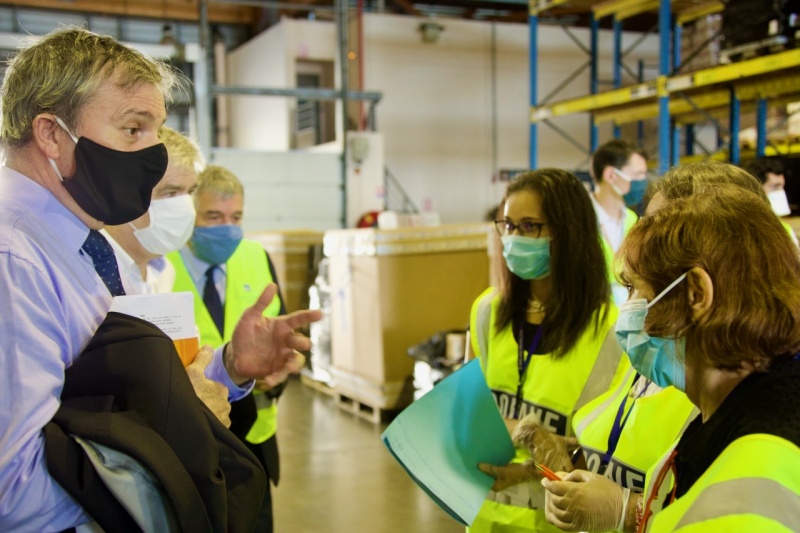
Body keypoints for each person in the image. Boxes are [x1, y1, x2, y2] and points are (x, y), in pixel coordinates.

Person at [0, 28, 319, 531]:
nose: (153, 157)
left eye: (157, 131)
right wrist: (176, 441)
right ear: (51, 134)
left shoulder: (82, 242)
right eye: (133, 129)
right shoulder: (14, 261)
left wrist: (228, 370)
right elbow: (16, 493)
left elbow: (123, 397)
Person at [542, 181, 800, 531]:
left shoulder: (754, 463)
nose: (627, 309)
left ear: (696, 294)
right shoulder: (742, 409)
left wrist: (625, 511)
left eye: (635, 288)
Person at [467, 168, 627, 533]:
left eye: (529, 226)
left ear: (569, 232)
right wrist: (527, 433)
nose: (514, 238)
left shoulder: (611, 333)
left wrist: (530, 469)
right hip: (484, 517)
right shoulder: (488, 312)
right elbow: (468, 411)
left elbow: (608, 455)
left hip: (559, 520)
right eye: (508, 225)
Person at [167, 164, 289, 533]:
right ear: (190, 213)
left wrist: (279, 373)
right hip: (187, 439)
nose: (227, 228)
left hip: (253, 437)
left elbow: (281, 330)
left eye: (236, 217)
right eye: (214, 216)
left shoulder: (255, 256)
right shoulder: (159, 265)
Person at [104, 125, 203, 294]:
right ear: (123, 195)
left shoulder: (164, 271)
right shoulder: (91, 271)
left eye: (190, 192)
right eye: (170, 193)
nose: (185, 207)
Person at [590, 139, 648, 306]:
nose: (643, 182)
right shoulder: (578, 219)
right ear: (610, 175)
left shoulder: (633, 220)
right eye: (637, 175)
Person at [742, 157, 799, 245]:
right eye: (775, 187)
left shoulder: (785, 230)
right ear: (756, 188)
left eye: (782, 187)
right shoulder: (740, 231)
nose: (781, 193)